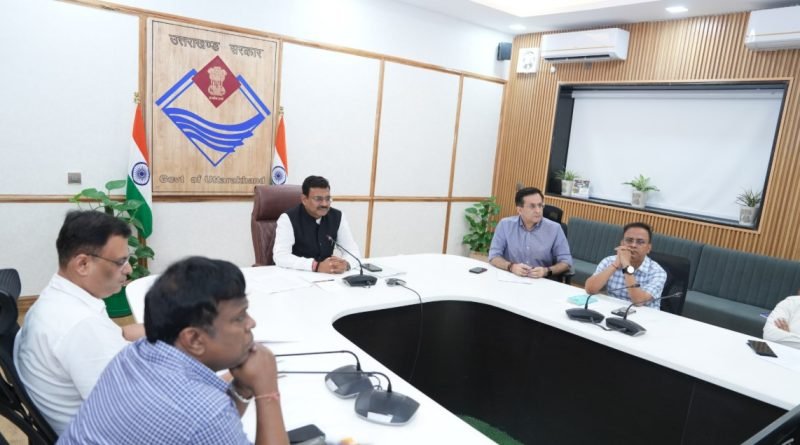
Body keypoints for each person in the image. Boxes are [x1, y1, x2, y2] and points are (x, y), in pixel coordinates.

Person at [58, 257, 288, 445]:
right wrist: (267, 391)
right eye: (240, 317)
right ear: (194, 339)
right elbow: (205, 422)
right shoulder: (207, 414)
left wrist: (242, 387)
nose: (251, 323)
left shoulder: (134, 354)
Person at [14, 210, 145, 435]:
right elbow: (133, 412)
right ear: (83, 264)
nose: (129, 269)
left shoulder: (53, 302)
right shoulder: (82, 326)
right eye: (121, 262)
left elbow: (115, 335)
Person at [273, 175, 361, 274]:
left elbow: (353, 250)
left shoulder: (338, 216)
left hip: (327, 277)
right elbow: (281, 256)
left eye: (328, 199)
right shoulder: (287, 219)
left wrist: (346, 264)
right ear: (304, 199)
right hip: (296, 275)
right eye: (318, 199)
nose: (324, 204)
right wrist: (315, 266)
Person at [488, 187, 573, 279]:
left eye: (540, 205)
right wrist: (511, 267)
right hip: (511, 277)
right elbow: (494, 256)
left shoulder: (555, 229)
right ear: (519, 210)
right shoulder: (505, 225)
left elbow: (566, 262)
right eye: (532, 206)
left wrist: (546, 271)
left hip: (541, 281)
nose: (538, 210)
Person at [584, 222, 667, 308]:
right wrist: (616, 264)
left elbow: (638, 301)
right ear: (622, 243)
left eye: (640, 242)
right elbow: (590, 289)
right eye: (629, 240)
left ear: (648, 248)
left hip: (644, 314)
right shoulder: (609, 261)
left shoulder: (658, 272)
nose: (633, 245)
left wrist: (626, 264)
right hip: (611, 309)